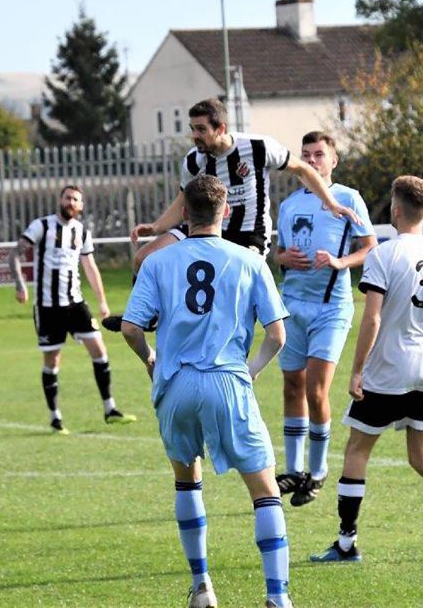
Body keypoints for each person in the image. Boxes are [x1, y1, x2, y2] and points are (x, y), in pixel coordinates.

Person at [121, 175, 294, 608]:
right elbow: (277, 335)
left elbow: (129, 327)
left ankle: (202, 587)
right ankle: (277, 597)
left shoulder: (158, 262)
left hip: (176, 382)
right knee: (264, 487)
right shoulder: (250, 260)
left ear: (183, 213)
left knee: (186, 480)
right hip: (227, 380)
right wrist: (250, 371)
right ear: (228, 213)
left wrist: (149, 359)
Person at [310, 175, 423, 563]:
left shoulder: (383, 255)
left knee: (357, 451)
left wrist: (357, 370)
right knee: (422, 456)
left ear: (395, 209)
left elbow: (372, 320)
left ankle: (346, 544)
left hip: (389, 368)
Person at [102, 97, 361, 332]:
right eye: (192, 129)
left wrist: (331, 202)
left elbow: (303, 170)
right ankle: (144, 317)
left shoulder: (258, 147)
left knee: (231, 288)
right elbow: (183, 197)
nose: (195, 135)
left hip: (249, 235)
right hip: (205, 227)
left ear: (221, 128)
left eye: (201, 129)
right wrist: (157, 227)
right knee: (142, 258)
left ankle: (257, 325)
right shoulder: (194, 161)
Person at [274, 132, 377, 507]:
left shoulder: (347, 199)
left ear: (334, 160)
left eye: (319, 154)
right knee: (291, 388)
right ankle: (294, 469)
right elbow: (280, 252)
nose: (312, 160)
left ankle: (316, 473)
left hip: (331, 308)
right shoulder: (288, 205)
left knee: (317, 391)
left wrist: (339, 262)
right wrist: (285, 259)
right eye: (306, 155)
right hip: (292, 306)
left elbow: (369, 248)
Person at [8, 184, 136, 435]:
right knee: (52, 359)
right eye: (67, 198)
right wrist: (19, 283)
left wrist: (102, 301)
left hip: (75, 303)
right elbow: (14, 254)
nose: (71, 202)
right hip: (47, 307)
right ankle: (55, 418)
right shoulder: (41, 226)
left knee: (99, 349)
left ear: (81, 206)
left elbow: (90, 267)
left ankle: (110, 409)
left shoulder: (81, 232)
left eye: (75, 199)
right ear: (60, 200)